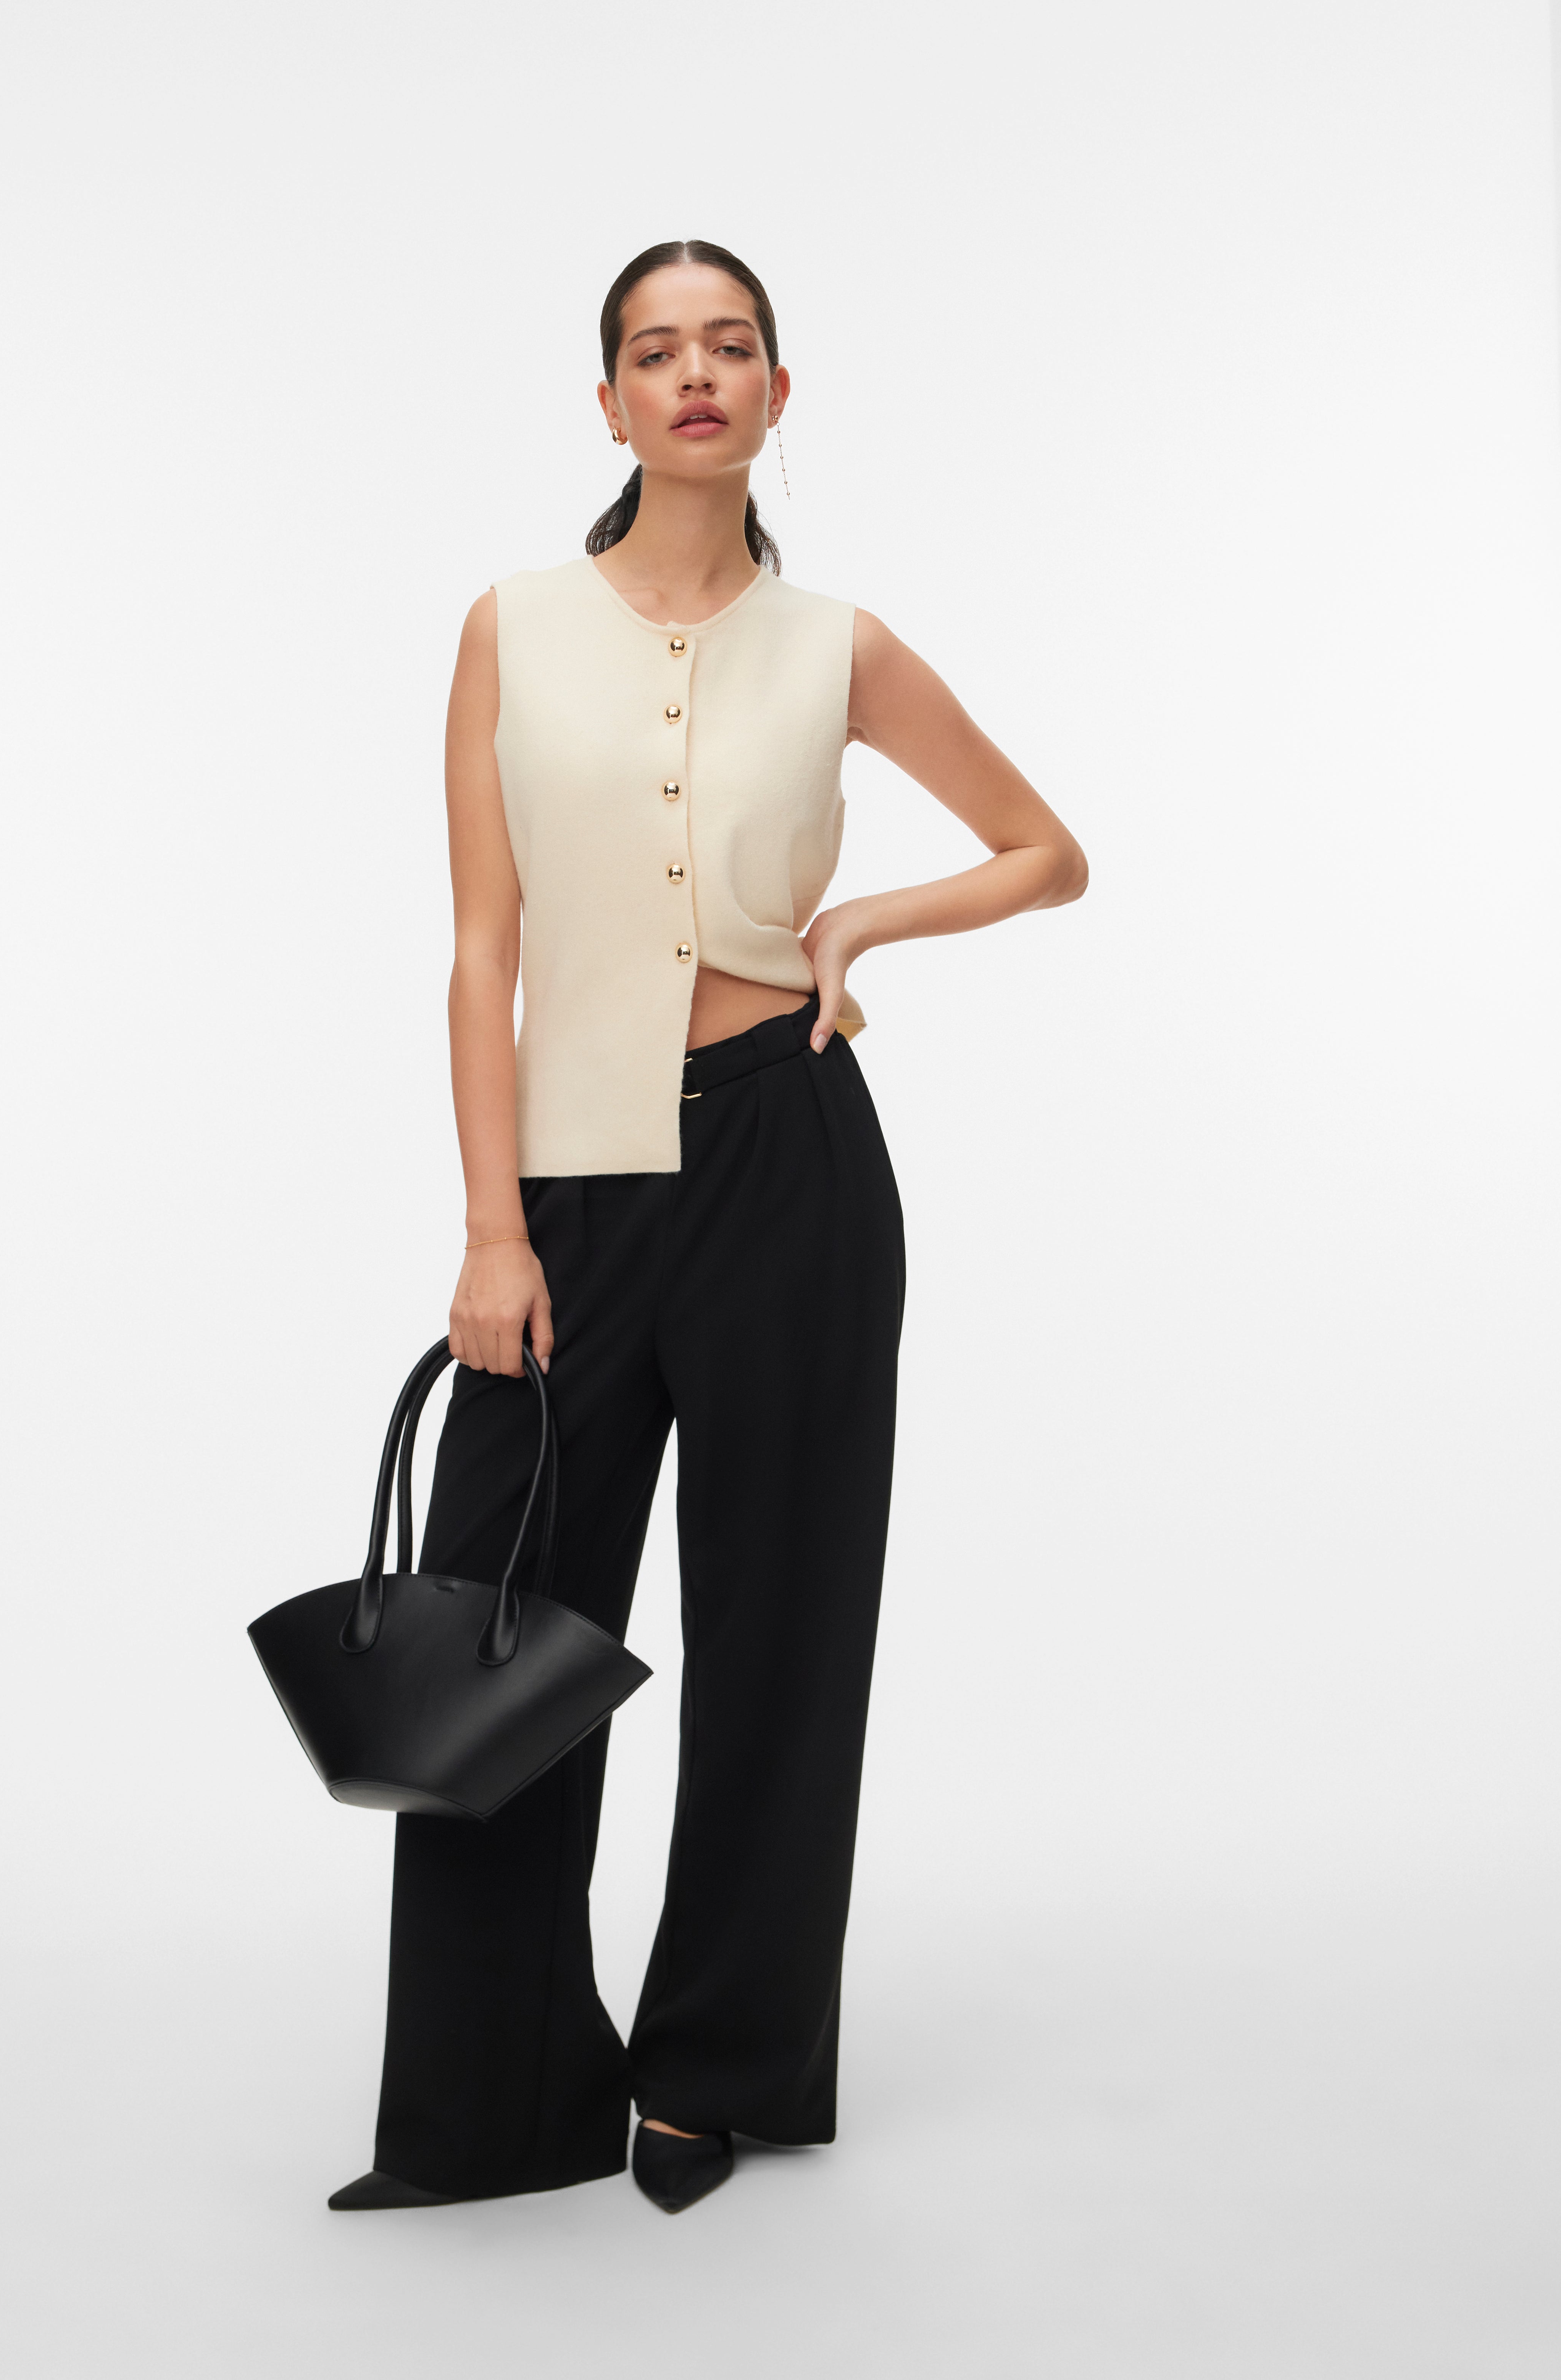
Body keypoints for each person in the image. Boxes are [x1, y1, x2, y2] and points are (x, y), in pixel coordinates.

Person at [329, 239, 1087, 2217]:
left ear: (773, 392)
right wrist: (492, 1232)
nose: (693, 374)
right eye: (655, 350)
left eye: (728, 346)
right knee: (504, 1627)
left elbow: (1047, 852)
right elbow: (481, 951)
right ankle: (495, 2098)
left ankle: (716, 2068)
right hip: (567, 1195)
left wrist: (865, 922)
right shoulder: (510, 626)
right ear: (607, 402)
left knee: (782, 1633)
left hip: (788, 1163)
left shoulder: (839, 645)